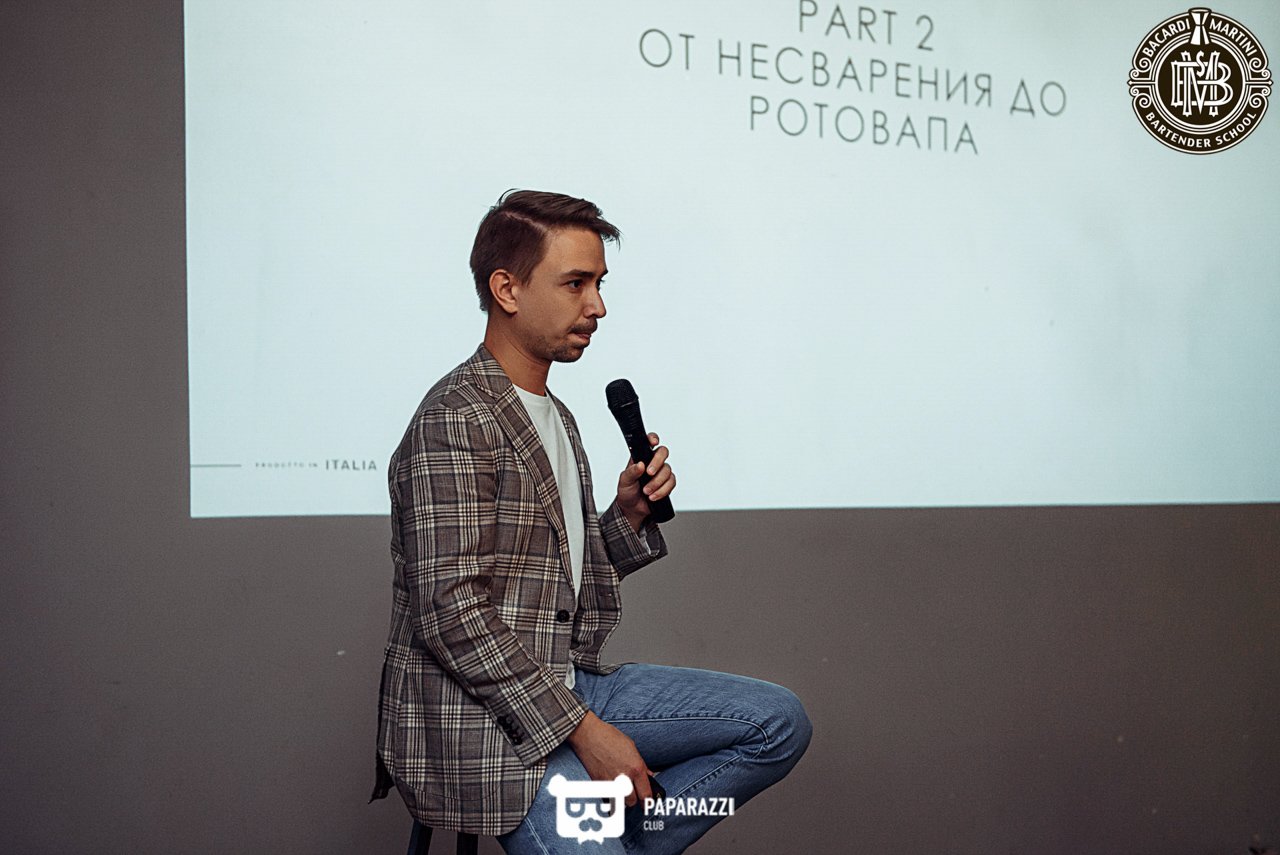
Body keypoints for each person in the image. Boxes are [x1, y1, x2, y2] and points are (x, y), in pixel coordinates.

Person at [371, 190, 811, 853]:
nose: (598, 306)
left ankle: (620, 837)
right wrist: (585, 731)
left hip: (567, 680)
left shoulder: (556, 415)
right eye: (576, 283)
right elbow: (450, 613)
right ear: (506, 289)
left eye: (600, 284)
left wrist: (626, 515)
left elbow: (554, 586)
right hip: (487, 724)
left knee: (778, 721)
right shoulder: (456, 419)